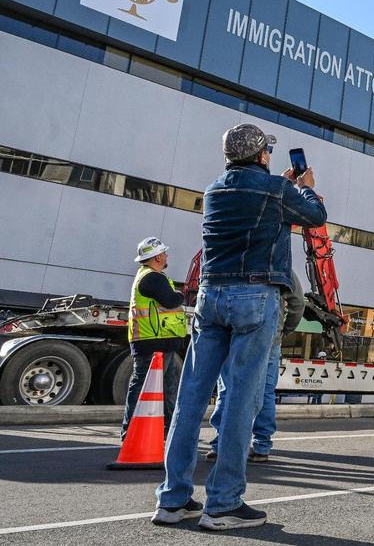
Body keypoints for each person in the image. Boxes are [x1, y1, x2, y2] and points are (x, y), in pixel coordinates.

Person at [154, 123, 327, 530]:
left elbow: (260, 205)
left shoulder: (216, 189)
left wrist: (281, 188)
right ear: (263, 155)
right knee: (239, 401)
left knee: (191, 400)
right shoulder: (277, 191)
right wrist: (304, 186)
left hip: (210, 297)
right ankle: (223, 503)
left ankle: (173, 499)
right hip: (254, 297)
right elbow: (316, 216)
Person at [205, 271, 304, 462]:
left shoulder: (235, 258)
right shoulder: (282, 266)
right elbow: (298, 303)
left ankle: (220, 444)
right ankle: (261, 445)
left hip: (233, 336)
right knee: (266, 392)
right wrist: (284, 330)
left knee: (227, 388)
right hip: (269, 338)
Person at [121, 236, 187, 440]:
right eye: (164, 252)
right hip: (155, 341)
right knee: (145, 386)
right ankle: (132, 431)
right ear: (157, 256)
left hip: (154, 341)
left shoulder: (146, 276)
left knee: (166, 387)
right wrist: (180, 295)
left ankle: (165, 431)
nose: (167, 255)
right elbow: (171, 300)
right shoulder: (153, 278)